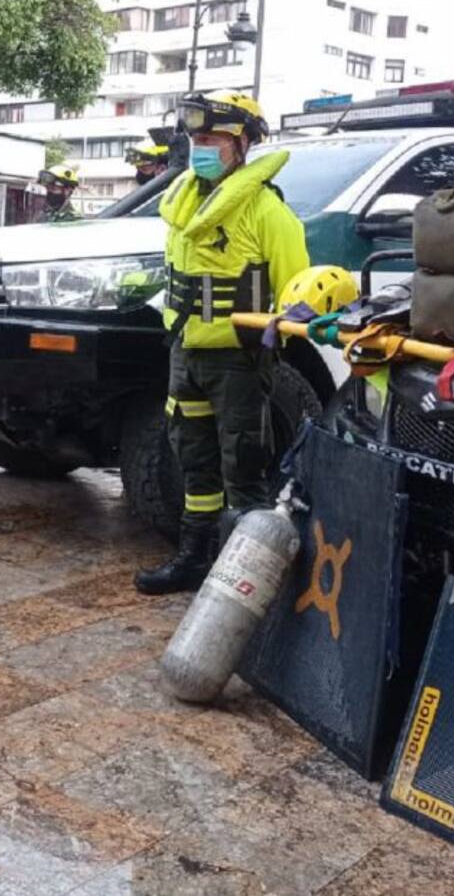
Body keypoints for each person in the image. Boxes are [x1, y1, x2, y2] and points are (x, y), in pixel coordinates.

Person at [134, 90, 309, 596]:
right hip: (184, 352)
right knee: (193, 459)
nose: (200, 147)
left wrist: (285, 327)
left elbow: (298, 286)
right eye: (194, 138)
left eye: (211, 138)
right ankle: (193, 559)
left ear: (243, 144)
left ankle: (246, 579)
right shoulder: (185, 203)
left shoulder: (265, 210)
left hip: (237, 359)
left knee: (243, 464)